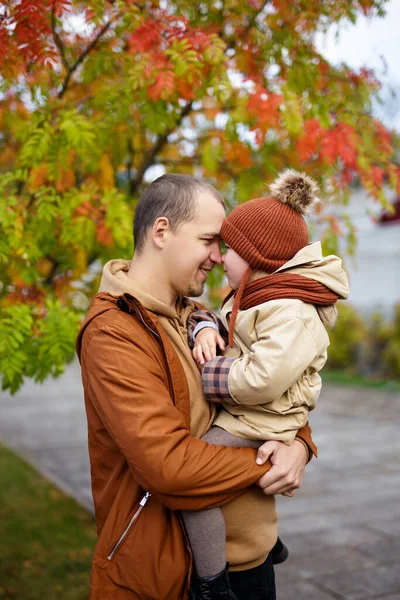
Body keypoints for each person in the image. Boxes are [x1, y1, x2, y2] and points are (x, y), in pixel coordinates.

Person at [76, 174, 317, 600]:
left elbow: (266, 389)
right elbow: (170, 468)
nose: (218, 256)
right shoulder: (113, 332)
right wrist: (272, 464)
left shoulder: (197, 316)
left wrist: (299, 444)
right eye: (209, 240)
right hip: (174, 576)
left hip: (250, 562)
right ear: (162, 231)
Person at [181, 170, 349, 593]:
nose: (220, 257)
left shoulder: (290, 311)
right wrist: (203, 328)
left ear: (258, 258)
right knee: (202, 476)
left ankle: (212, 581)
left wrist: (207, 373)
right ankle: (266, 544)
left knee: (191, 482)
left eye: (230, 249)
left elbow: (261, 379)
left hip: (258, 420)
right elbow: (221, 325)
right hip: (251, 417)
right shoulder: (256, 298)